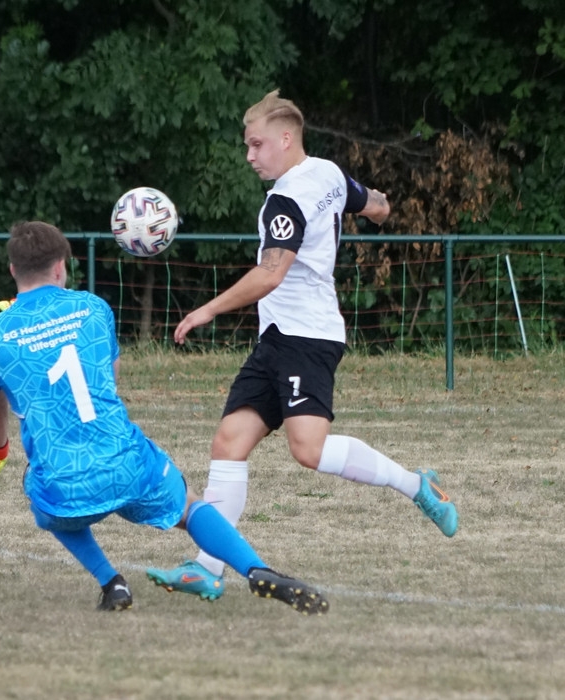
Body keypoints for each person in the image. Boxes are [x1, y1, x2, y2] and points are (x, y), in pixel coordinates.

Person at [144, 89, 459, 601]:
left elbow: (270, 275)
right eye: (247, 146)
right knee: (229, 443)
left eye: (257, 144)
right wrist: (381, 209)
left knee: (308, 450)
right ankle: (206, 568)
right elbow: (373, 202)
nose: (250, 156)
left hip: (306, 337)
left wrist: (207, 310)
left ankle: (417, 485)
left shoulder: (285, 201)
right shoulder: (328, 172)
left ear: (286, 139)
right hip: (277, 339)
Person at [0, 220, 329, 614]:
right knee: (188, 507)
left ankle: (111, 582)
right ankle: (256, 569)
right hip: (127, 462)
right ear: (60, 267)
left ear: (12, 270)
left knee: (40, 493)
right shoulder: (93, 308)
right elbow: (108, 378)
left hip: (64, 480)